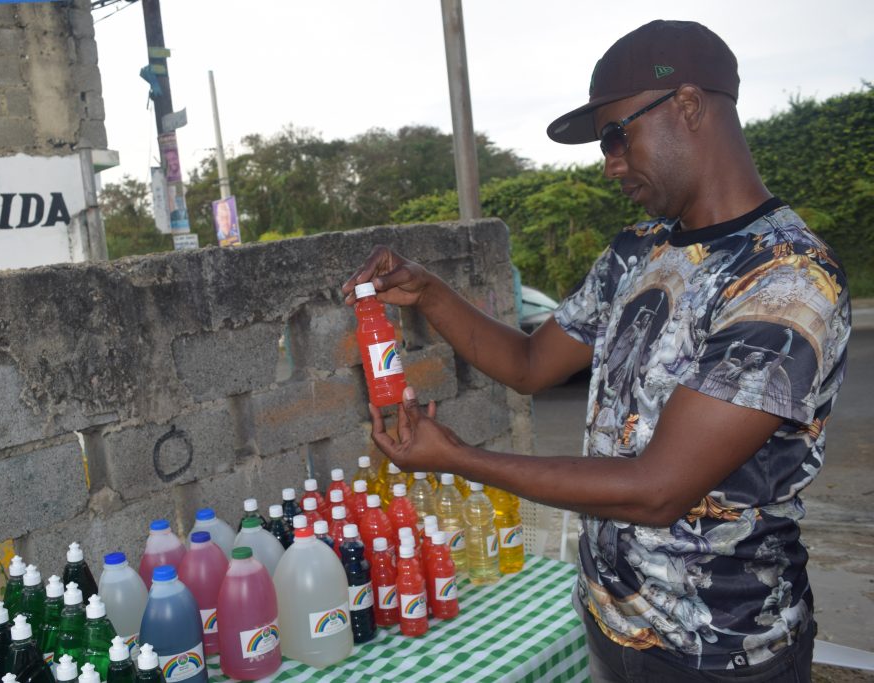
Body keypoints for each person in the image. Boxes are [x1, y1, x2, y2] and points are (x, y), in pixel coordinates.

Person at [341, 20, 850, 682]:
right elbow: (530, 365)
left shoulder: (787, 281)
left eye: (617, 136)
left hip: (722, 653)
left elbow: (657, 489)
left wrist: (460, 459)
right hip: (613, 622)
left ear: (689, 106)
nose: (609, 162)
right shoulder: (637, 250)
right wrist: (430, 292)